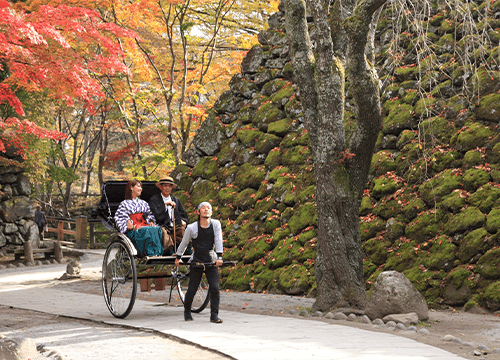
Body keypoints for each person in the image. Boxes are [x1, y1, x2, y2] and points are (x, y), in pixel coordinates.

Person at [175, 201, 224, 323]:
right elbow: (184, 243)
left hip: (211, 259)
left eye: (208, 208)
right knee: (192, 288)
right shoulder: (192, 227)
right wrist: (178, 257)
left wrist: (219, 257)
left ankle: (214, 316)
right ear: (198, 212)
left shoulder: (216, 224)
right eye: (203, 208)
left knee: (214, 288)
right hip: (196, 260)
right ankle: (187, 312)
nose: (206, 209)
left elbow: (218, 239)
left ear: (211, 212)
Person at [114, 180, 163, 257]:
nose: (141, 189)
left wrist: (151, 221)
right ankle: (150, 253)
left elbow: (149, 214)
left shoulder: (144, 203)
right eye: (138, 186)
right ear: (131, 188)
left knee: (157, 229)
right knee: (147, 230)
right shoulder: (124, 204)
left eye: (141, 187)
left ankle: (157, 253)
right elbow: (120, 216)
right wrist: (127, 222)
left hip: (144, 224)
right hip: (134, 228)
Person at [149, 177, 188, 255]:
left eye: (169, 186)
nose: (167, 188)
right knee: (164, 233)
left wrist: (183, 220)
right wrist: (166, 206)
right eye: (165, 186)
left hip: (175, 224)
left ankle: (185, 250)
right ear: (161, 187)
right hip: (162, 224)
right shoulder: (154, 200)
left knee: (182, 230)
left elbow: (183, 213)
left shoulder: (176, 200)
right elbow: (155, 214)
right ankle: (170, 251)